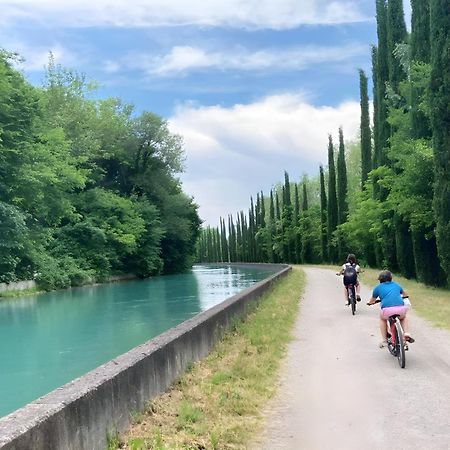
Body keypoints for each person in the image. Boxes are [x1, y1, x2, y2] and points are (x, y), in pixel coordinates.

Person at [367, 270, 415, 348]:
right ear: (391, 278)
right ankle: (406, 333)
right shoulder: (397, 285)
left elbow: (372, 300)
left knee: (382, 319)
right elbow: (405, 294)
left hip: (387, 310)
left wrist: (370, 303)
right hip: (400, 309)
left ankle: (384, 340)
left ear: (380, 280)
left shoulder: (378, 287)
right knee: (403, 318)